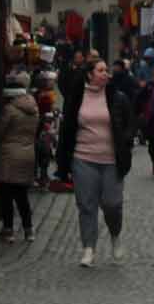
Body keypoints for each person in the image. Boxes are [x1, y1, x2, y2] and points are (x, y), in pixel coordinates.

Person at [56, 54, 136, 267]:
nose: (106, 74)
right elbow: (67, 130)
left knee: (113, 204)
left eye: (106, 71)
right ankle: (88, 249)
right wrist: (63, 162)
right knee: (87, 205)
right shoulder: (76, 98)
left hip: (111, 160)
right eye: (101, 71)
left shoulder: (117, 98)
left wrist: (126, 140)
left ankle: (115, 235)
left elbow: (130, 123)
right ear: (89, 75)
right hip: (83, 158)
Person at [0, 72, 40, 243]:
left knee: (6, 194)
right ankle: (29, 230)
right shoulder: (34, 109)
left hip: (9, 156)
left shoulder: (10, 110)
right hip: (27, 154)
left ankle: (8, 231)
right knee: (22, 194)